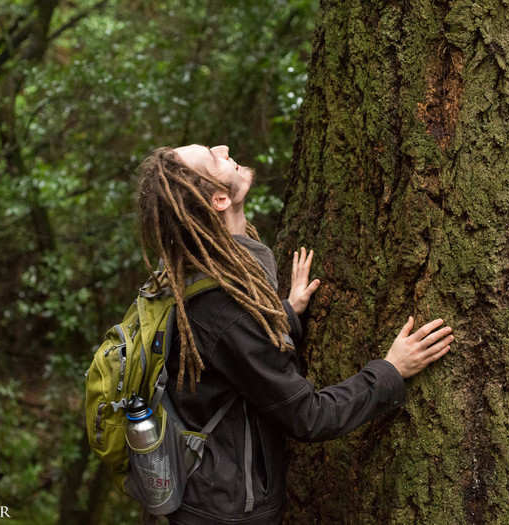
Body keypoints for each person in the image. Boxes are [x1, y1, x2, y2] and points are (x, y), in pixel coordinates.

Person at [135, 145, 454, 524]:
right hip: (227, 512)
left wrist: (282, 313)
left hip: (204, 492)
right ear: (219, 199)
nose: (223, 148)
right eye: (212, 156)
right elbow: (310, 416)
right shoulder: (226, 309)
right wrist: (390, 370)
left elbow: (227, 360)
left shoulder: (191, 270)